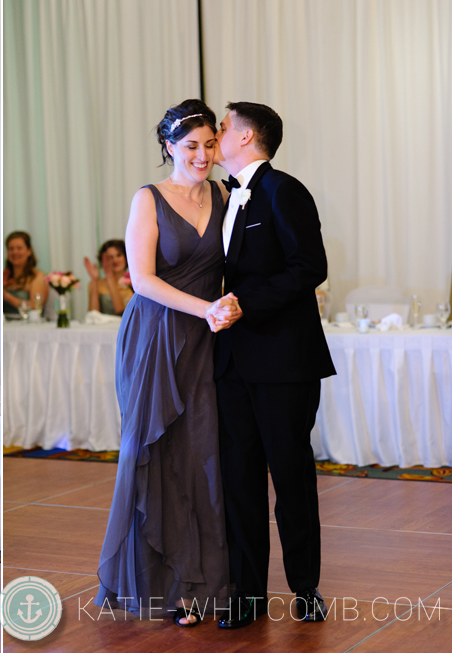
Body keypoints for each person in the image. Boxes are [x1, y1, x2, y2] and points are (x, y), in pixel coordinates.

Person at [94, 100, 241, 627]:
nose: (202, 155)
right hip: (156, 336)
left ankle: (200, 583)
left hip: (208, 341)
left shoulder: (226, 194)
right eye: (190, 147)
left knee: (201, 455)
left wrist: (228, 305)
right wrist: (206, 308)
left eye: (208, 144)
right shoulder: (149, 198)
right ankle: (162, 582)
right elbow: (143, 280)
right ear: (169, 149)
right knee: (154, 452)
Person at [213, 102, 335, 628]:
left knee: (291, 477)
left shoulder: (285, 190)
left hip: (285, 362)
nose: (214, 135)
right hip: (230, 363)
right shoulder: (219, 198)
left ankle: (305, 588)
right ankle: (248, 594)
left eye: (221, 126)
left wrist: (247, 301)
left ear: (246, 137)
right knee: (238, 478)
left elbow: (310, 266)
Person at [3, 231, 48, 318]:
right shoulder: (4, 277)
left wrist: (5, 296)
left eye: (19, 248)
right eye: (11, 249)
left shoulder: (37, 276)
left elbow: (35, 307)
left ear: (29, 251)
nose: (15, 252)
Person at [83, 239, 134, 315]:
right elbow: (93, 314)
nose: (115, 260)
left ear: (126, 257)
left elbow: (121, 312)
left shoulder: (133, 283)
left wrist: (109, 276)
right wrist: (94, 280)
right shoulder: (97, 283)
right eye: (110, 257)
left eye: (119, 255)